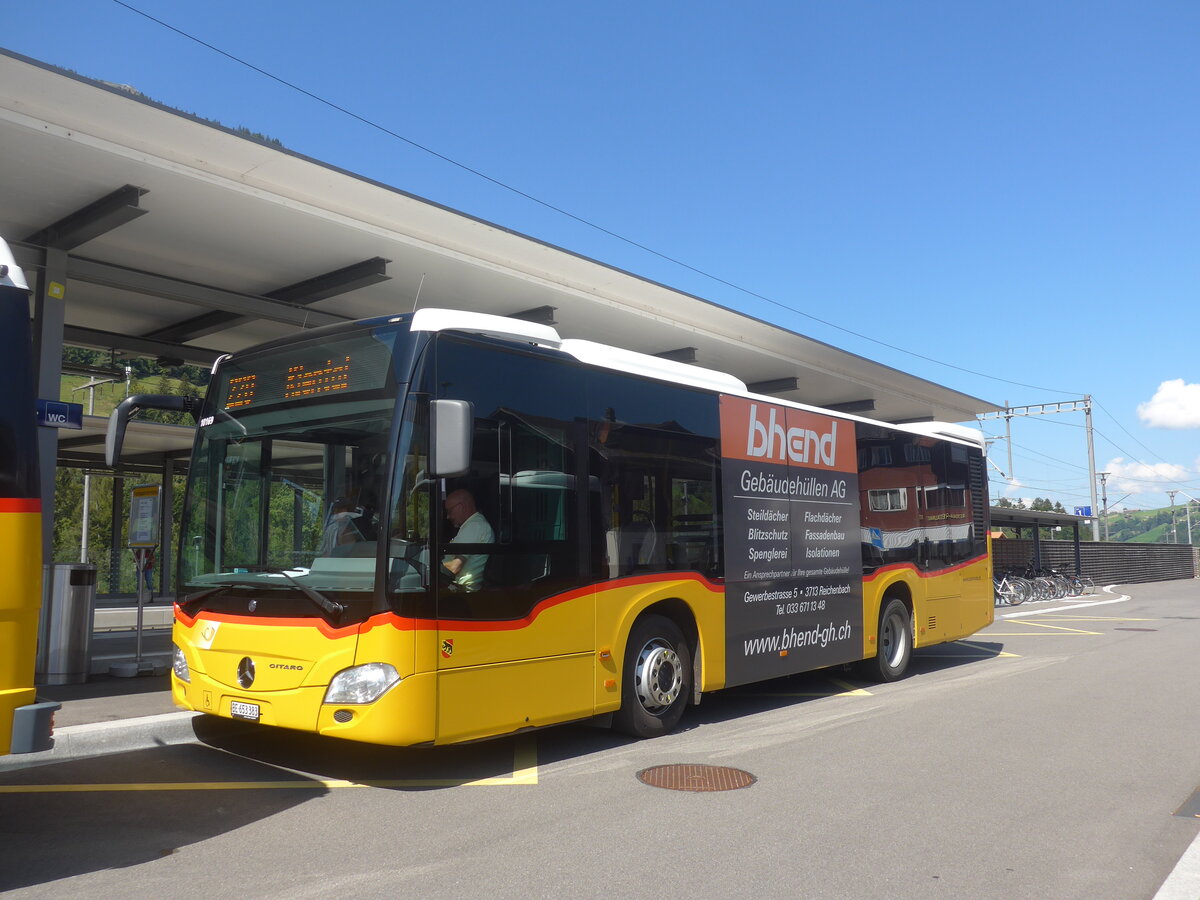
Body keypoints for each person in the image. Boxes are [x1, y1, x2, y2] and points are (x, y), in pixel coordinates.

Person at [442, 488, 494, 591]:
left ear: (461, 507)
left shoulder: (475, 525)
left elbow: (454, 567)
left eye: (449, 511)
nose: (448, 516)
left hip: (461, 591)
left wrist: (429, 569)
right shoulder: (471, 525)